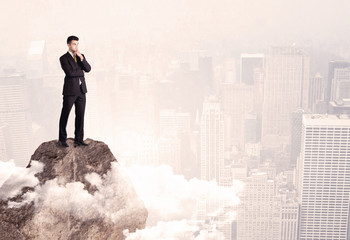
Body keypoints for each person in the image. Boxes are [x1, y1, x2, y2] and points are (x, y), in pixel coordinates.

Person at [58, 35, 91, 147]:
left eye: (77, 44)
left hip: (82, 90)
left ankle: (79, 139)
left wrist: (82, 58)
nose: (76, 46)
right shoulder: (63, 58)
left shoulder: (81, 56)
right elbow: (70, 73)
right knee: (65, 114)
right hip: (70, 91)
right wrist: (81, 72)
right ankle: (62, 139)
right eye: (73, 44)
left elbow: (88, 69)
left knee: (80, 115)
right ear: (68, 45)